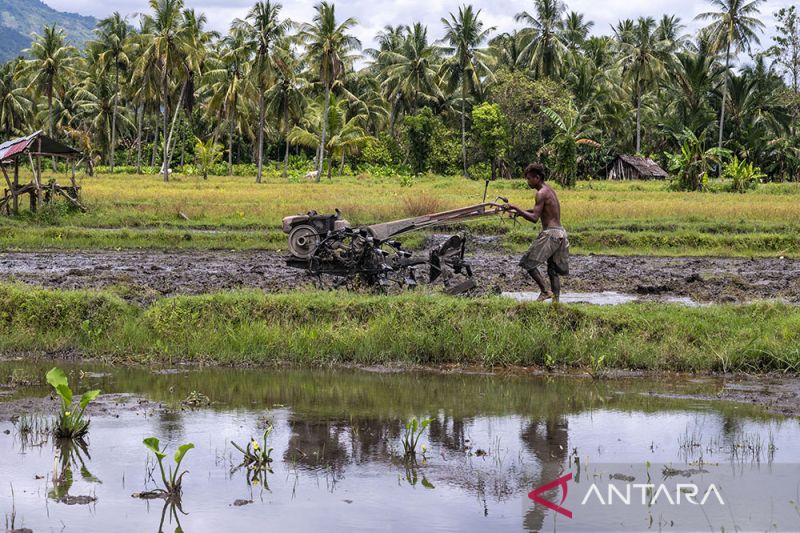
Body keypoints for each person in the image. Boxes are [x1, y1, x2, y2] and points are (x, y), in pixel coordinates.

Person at [504, 163, 569, 302]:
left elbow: (534, 218)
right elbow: (538, 211)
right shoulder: (548, 190)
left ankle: (545, 290)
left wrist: (515, 206)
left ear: (537, 178)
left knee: (527, 263)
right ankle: (555, 304)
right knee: (553, 271)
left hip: (550, 234)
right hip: (560, 233)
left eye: (529, 179)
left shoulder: (540, 193)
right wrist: (518, 212)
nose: (527, 182)